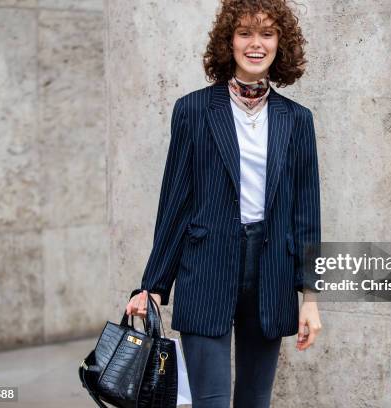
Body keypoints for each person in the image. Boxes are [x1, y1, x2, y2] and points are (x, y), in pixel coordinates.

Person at [126, 1, 321, 406]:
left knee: (255, 400)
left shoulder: (297, 119)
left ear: (280, 43)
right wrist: (153, 285)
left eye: (267, 34)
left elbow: (306, 215)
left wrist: (311, 298)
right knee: (209, 401)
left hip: (271, 276)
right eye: (245, 33)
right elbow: (175, 203)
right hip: (206, 269)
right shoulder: (194, 111)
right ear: (228, 42)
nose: (256, 44)